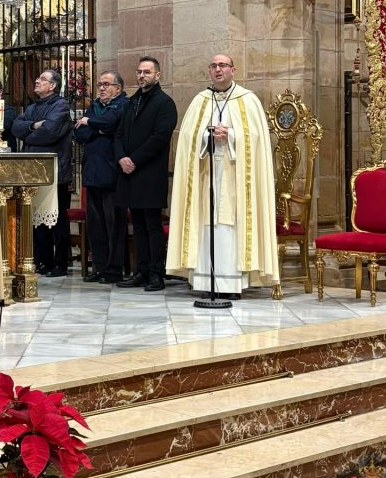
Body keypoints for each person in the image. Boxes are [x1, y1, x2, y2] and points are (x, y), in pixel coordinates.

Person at [166, 53, 279, 303]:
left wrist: (231, 135)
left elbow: (257, 139)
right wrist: (207, 136)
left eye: (223, 65)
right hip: (207, 173)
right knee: (207, 224)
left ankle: (231, 284)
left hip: (236, 174)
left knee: (231, 225)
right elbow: (187, 138)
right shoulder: (200, 100)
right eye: (214, 66)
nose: (218, 70)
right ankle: (206, 282)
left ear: (232, 70)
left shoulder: (247, 100)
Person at [115, 57, 177, 292]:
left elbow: (159, 138)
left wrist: (134, 160)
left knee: (152, 225)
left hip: (150, 173)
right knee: (138, 225)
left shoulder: (165, 103)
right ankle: (140, 272)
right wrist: (121, 157)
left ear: (157, 75)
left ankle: (155, 274)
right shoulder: (131, 102)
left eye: (147, 72)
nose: (142, 75)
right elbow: (118, 134)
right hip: (129, 173)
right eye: (139, 71)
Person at [12, 70, 72, 277]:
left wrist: (28, 135)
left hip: (55, 171)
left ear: (53, 86)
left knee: (57, 219)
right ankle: (44, 261)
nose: (37, 81)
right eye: (37, 78)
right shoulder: (32, 107)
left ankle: (60, 264)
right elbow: (16, 128)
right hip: (33, 170)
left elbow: (49, 133)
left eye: (43, 79)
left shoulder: (61, 106)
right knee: (37, 218)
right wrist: (33, 126)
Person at [74, 71, 128, 284]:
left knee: (113, 223)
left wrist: (90, 123)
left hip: (112, 172)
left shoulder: (123, 104)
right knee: (95, 224)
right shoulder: (95, 106)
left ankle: (114, 269)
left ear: (118, 88)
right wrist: (97, 128)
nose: (102, 88)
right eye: (100, 85)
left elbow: (112, 124)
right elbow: (79, 133)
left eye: (107, 84)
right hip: (92, 172)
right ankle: (99, 266)